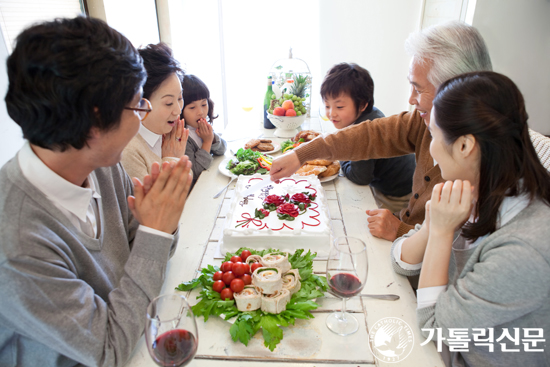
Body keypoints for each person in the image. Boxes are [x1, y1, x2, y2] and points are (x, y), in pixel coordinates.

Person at [0, 17, 192, 367]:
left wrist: (158, 227)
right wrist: (156, 231)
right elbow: (108, 349)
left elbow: (150, 249)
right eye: (138, 105)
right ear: (94, 122)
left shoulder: (100, 162)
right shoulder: (15, 243)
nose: (143, 116)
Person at [270, 21, 492, 241]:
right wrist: (301, 155)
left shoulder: (478, 163)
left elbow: (455, 247)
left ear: (455, 88)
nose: (411, 99)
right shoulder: (424, 120)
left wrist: (401, 231)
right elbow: (370, 135)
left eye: (419, 88)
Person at [391, 71, 550, 366]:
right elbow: (402, 262)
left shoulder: (524, 248)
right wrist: (432, 228)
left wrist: (440, 232)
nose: (431, 147)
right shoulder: (480, 191)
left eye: (434, 134)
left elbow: (435, 330)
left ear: (464, 146)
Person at [321, 62, 415, 213]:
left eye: (339, 107)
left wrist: (342, 156)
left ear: (362, 105)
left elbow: (360, 177)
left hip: (397, 194)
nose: (331, 113)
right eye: (327, 106)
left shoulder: (364, 131)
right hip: (398, 181)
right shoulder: (369, 114)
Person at [121, 42, 189, 182]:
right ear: (140, 104)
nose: (177, 110)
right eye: (168, 103)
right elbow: (163, 202)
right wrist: (172, 160)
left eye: (180, 98)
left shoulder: (168, 132)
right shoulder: (130, 151)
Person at [181, 74, 227, 187]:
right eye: (192, 107)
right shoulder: (183, 137)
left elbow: (222, 150)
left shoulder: (201, 125)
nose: (200, 112)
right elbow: (196, 172)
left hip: (210, 183)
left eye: (203, 104)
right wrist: (206, 142)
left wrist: (212, 138)